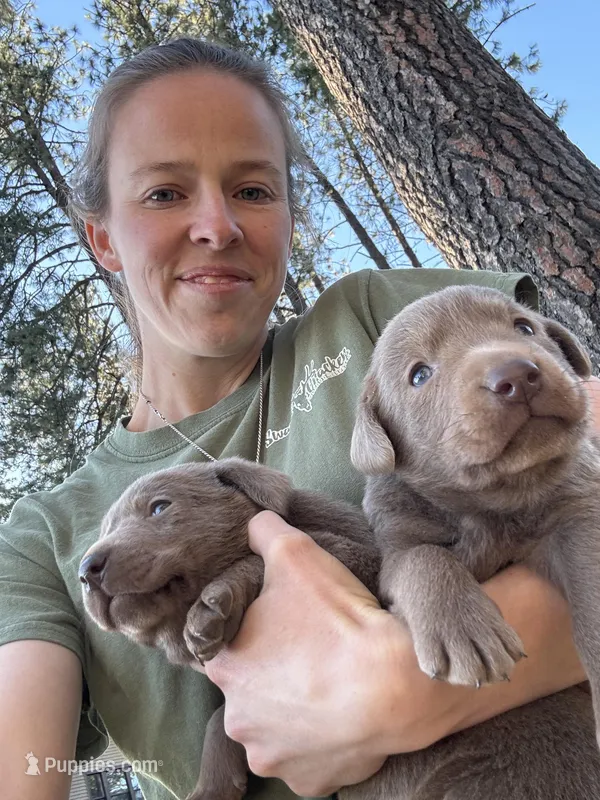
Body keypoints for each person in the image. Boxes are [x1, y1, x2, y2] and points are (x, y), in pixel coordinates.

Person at [1, 37, 599, 800]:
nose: (217, 225)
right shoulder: (42, 535)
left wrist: (394, 692)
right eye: (164, 193)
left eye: (254, 190)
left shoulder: (379, 325)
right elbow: (24, 777)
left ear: (290, 215)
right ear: (103, 237)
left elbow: (584, 455)